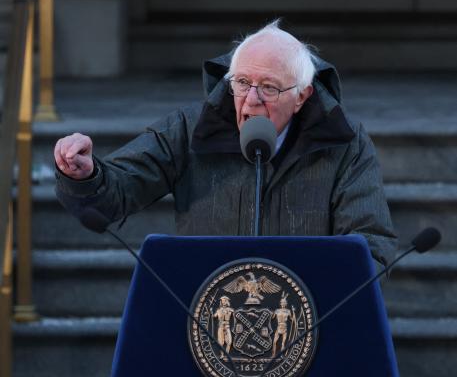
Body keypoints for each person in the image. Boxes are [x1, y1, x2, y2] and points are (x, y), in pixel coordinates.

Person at [54, 21, 397, 268]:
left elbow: (372, 246)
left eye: (269, 88)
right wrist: (85, 175)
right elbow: (118, 191)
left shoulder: (345, 144)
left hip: (304, 326)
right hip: (206, 322)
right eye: (242, 83)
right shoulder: (191, 129)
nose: (250, 101)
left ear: (301, 96)